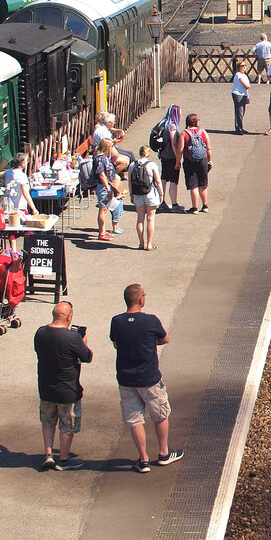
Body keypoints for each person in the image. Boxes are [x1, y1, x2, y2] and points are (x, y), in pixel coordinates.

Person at [109, 284, 183, 473]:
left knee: (135, 421)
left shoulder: (116, 321)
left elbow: (116, 344)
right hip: (150, 378)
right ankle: (164, 453)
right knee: (160, 415)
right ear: (141, 300)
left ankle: (143, 459)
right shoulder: (151, 321)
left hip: (126, 379)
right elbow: (165, 339)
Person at [33, 301, 93, 471]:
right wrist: (84, 342)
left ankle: (49, 454)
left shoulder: (41, 333)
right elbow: (87, 357)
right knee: (68, 424)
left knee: (48, 421)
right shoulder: (73, 338)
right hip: (68, 390)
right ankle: (64, 460)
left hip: (46, 388)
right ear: (69, 317)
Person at [129, 145, 162, 250]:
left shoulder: (132, 165)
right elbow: (157, 180)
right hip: (150, 193)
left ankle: (141, 243)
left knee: (140, 219)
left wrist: (131, 194)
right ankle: (149, 244)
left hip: (138, 193)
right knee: (150, 219)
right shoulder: (152, 165)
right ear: (148, 154)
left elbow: (130, 181)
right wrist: (161, 194)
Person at [154, 105, 185, 213]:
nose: (181, 114)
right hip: (171, 157)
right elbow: (174, 144)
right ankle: (174, 204)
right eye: (180, 113)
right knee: (173, 180)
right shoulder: (172, 126)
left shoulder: (163, 123)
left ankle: (161, 201)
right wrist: (178, 159)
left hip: (163, 155)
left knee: (164, 178)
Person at [181, 113, 212, 213]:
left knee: (193, 185)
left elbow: (180, 149)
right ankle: (205, 206)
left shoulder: (184, 133)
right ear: (196, 122)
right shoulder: (203, 132)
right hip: (203, 160)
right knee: (203, 184)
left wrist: (177, 162)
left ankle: (195, 207)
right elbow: (208, 148)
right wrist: (209, 160)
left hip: (190, 161)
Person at [94, 138, 124, 241]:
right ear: (107, 147)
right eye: (111, 146)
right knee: (103, 209)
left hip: (106, 186)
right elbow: (101, 175)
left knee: (105, 208)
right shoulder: (100, 158)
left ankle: (103, 231)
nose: (112, 148)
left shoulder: (104, 157)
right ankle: (101, 233)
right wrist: (108, 189)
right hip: (103, 188)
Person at [231, 60, 251, 134]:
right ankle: (238, 128)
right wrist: (248, 86)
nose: (244, 67)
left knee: (242, 112)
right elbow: (245, 85)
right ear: (238, 67)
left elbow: (247, 87)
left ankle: (240, 127)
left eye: (245, 65)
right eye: (242, 66)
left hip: (244, 95)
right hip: (237, 94)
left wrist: (247, 97)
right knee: (239, 111)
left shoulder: (245, 75)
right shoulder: (238, 74)